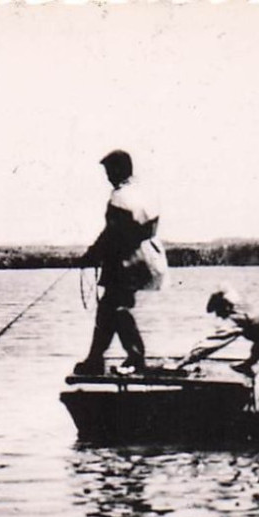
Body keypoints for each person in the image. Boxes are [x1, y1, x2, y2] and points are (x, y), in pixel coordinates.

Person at [73, 149, 166, 376]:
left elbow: (113, 234)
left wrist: (92, 255)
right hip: (147, 257)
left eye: (108, 171)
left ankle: (134, 357)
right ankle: (96, 359)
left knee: (115, 309)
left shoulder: (120, 197)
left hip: (127, 261)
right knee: (109, 309)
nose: (107, 177)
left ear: (118, 170)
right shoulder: (142, 193)